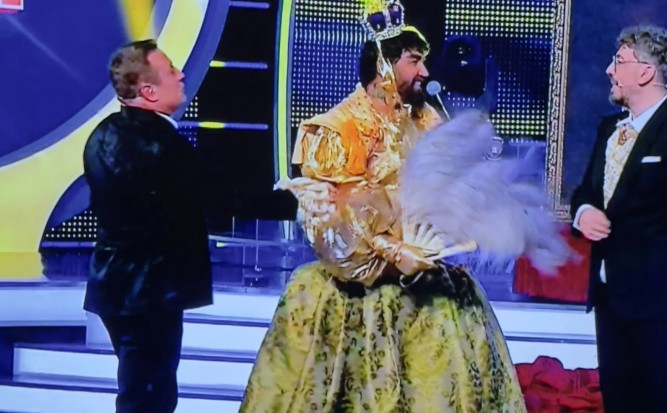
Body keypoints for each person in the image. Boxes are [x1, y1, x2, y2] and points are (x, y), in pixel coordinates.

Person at [240, 1, 569, 411]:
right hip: (357, 294)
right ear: (384, 65)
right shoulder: (337, 128)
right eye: (414, 61)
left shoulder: (428, 121)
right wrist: (396, 252)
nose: (426, 72)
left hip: (427, 286)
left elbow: (452, 193)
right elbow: (330, 223)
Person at [82, 39, 212, 413]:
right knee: (148, 399)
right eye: (171, 70)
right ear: (149, 91)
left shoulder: (103, 134)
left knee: (140, 391)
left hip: (117, 288)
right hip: (151, 294)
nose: (182, 75)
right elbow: (208, 201)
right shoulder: (163, 146)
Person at [571, 25, 667, 413]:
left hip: (658, 302)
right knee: (619, 399)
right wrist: (583, 212)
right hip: (610, 298)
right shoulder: (608, 128)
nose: (609, 70)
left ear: (645, 72)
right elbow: (585, 192)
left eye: (619, 62)